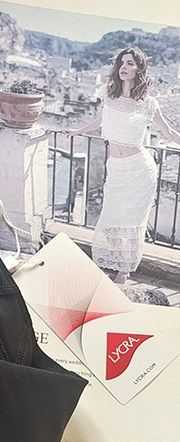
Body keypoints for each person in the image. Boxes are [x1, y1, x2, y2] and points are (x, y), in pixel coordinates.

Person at [63, 47, 180, 284]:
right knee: (110, 223)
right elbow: (102, 120)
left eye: (130, 63)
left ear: (139, 69)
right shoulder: (110, 95)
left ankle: (124, 270)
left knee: (132, 222)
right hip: (116, 169)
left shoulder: (148, 104)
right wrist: (78, 130)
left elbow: (168, 131)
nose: (124, 67)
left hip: (140, 170)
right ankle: (121, 262)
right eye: (122, 63)